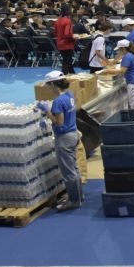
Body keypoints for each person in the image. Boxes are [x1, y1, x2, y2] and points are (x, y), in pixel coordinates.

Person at [39, 70, 83, 211]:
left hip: (64, 138)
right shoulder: (69, 95)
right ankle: (79, 195)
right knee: (75, 168)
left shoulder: (58, 101)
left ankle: (74, 200)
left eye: (48, 85)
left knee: (68, 172)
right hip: (73, 133)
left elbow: (59, 123)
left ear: (53, 85)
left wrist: (47, 112)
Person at [104, 39, 134, 110]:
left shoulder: (127, 57)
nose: (118, 51)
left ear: (123, 48)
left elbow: (122, 71)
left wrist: (109, 70)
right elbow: (119, 59)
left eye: (119, 49)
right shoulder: (132, 54)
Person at [53, 5, 79, 75]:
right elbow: (67, 34)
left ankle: (73, 74)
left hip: (59, 44)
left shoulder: (57, 21)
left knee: (68, 61)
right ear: (68, 11)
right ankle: (62, 78)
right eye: (70, 9)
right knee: (66, 62)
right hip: (67, 44)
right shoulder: (68, 21)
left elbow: (55, 33)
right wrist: (74, 38)